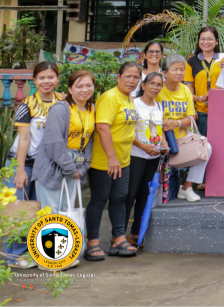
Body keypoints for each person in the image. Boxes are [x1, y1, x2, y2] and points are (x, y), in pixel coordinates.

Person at [32, 69, 94, 268]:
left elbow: (89, 142)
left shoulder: (91, 109)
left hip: (76, 166)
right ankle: (48, 260)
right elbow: (53, 143)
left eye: (89, 85)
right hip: (53, 165)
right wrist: (70, 168)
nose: (85, 89)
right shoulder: (61, 109)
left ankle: (62, 256)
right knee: (51, 212)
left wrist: (83, 167)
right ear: (70, 89)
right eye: (79, 86)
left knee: (66, 211)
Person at [86, 62, 141, 261]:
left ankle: (118, 239)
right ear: (118, 77)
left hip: (123, 160)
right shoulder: (109, 98)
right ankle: (92, 242)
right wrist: (111, 157)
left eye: (136, 77)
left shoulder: (129, 98)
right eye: (128, 76)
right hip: (105, 160)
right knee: (99, 199)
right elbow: (102, 128)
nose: (131, 80)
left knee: (119, 198)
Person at [11, 62, 64, 202]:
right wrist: (20, 170)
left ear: (57, 79)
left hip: (48, 164)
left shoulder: (63, 101)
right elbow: (24, 138)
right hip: (26, 162)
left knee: (42, 208)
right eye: (41, 78)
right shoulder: (26, 105)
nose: (46, 81)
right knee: (18, 208)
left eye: (51, 77)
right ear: (34, 80)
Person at [125, 72, 167, 247]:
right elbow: (127, 132)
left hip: (153, 157)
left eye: (159, 84)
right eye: (152, 83)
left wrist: (164, 145)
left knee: (145, 196)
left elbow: (160, 129)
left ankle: (136, 234)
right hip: (136, 156)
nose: (155, 87)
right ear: (143, 85)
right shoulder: (133, 104)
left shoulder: (159, 106)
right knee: (129, 195)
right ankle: (118, 235)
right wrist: (143, 147)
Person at [158, 53, 207, 202]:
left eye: (182, 69)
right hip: (161, 139)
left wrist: (176, 123)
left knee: (206, 147)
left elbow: (192, 118)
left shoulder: (185, 90)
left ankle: (187, 187)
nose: (179, 73)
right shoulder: (157, 89)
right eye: (175, 69)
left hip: (181, 139)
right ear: (165, 73)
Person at [185, 26, 224, 137]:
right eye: (202, 39)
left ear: (216, 41)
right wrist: (200, 99)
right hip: (201, 112)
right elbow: (188, 92)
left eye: (210, 39)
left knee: (220, 142)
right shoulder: (191, 61)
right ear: (198, 41)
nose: (206, 42)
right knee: (202, 143)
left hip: (222, 110)